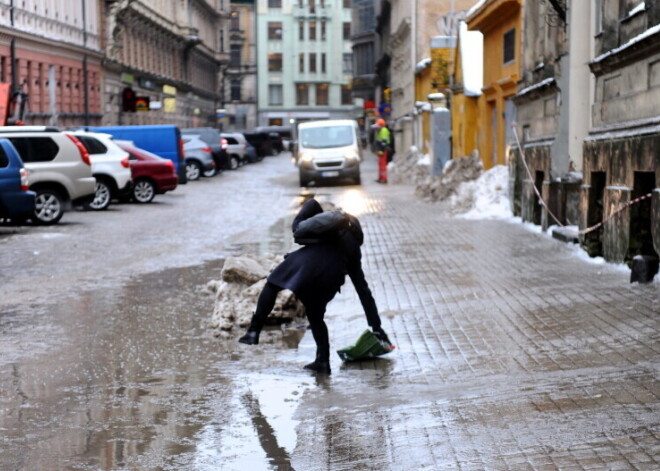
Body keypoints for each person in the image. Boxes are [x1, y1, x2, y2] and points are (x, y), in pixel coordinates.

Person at [238, 198, 390, 375]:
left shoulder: (327, 228)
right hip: (331, 278)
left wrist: (308, 212)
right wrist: (377, 327)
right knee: (316, 316)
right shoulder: (353, 248)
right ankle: (323, 361)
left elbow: (308, 214)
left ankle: (254, 331)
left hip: (307, 264)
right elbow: (363, 291)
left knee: (272, 285)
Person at [374, 118, 392, 184]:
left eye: (378, 126)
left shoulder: (383, 130)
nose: (377, 127)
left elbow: (383, 142)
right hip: (381, 150)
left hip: (383, 150)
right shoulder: (381, 130)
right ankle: (381, 178)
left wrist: (381, 150)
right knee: (380, 164)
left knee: (383, 164)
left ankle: (384, 178)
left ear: (381, 125)